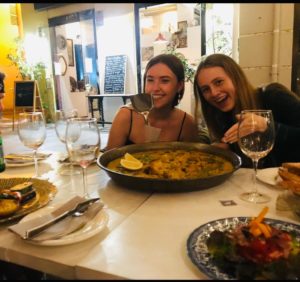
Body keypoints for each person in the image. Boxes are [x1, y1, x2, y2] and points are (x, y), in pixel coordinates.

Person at [193, 53, 300, 168]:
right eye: (206, 89)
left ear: (236, 78)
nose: (214, 93)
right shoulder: (221, 117)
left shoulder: (273, 96)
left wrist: (268, 127)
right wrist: (228, 148)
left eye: (219, 82)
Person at [106, 54, 201, 150]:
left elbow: (192, 160)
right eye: (150, 80)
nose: (155, 88)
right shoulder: (126, 116)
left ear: (179, 86)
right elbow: (109, 159)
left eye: (164, 80)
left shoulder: (187, 123)